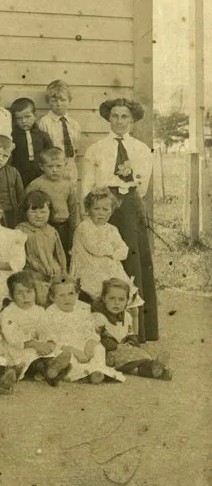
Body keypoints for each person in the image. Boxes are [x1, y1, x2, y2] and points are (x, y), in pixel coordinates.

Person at [81, 97, 157, 341]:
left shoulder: (141, 149)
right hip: (104, 204)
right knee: (104, 259)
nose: (120, 121)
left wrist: (127, 198)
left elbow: (142, 186)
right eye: (115, 116)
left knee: (132, 259)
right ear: (108, 118)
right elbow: (88, 185)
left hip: (131, 204)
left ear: (132, 119)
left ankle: (136, 330)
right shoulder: (96, 149)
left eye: (125, 116)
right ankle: (104, 330)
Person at [41, 277, 125, 384]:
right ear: (53, 297)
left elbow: (90, 330)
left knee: (99, 348)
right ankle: (76, 374)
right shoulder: (50, 313)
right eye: (62, 295)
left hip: (83, 345)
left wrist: (90, 341)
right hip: (65, 347)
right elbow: (50, 339)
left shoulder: (82, 309)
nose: (67, 298)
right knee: (64, 356)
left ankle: (96, 370)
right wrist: (73, 350)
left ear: (77, 294)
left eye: (71, 294)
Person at [70, 187, 142, 311]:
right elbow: (94, 248)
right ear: (88, 210)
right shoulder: (84, 227)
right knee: (101, 285)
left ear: (111, 212)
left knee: (122, 286)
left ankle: (123, 318)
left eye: (105, 209)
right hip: (87, 266)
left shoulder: (112, 229)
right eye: (96, 209)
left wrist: (113, 255)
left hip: (107, 266)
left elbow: (123, 249)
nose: (101, 213)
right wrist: (111, 250)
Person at [0, 271, 73, 385]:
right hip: (17, 348)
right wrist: (34, 344)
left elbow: (46, 328)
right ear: (12, 296)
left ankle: (53, 367)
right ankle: (47, 372)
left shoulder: (39, 311)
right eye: (19, 293)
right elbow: (12, 336)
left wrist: (50, 342)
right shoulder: (9, 312)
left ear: (35, 292)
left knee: (56, 349)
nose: (25, 297)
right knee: (30, 354)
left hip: (39, 345)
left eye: (29, 292)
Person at [92, 278, 171, 380]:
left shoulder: (127, 317)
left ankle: (157, 370)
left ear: (127, 301)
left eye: (121, 299)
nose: (116, 303)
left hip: (124, 350)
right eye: (111, 298)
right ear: (104, 298)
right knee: (127, 359)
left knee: (139, 354)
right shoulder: (99, 317)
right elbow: (94, 340)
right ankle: (153, 368)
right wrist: (114, 345)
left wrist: (130, 342)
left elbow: (131, 334)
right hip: (107, 353)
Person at [26, 147, 80, 255]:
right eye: (50, 166)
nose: (54, 170)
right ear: (42, 167)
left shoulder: (67, 185)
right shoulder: (36, 184)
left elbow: (73, 207)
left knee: (63, 253)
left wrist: (74, 228)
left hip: (63, 227)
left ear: (64, 165)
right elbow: (26, 208)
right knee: (47, 253)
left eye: (58, 166)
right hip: (43, 227)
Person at [36, 79, 82, 194]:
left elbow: (75, 146)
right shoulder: (44, 123)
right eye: (54, 100)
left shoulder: (74, 124)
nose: (59, 103)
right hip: (53, 167)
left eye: (63, 99)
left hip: (70, 166)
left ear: (69, 100)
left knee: (71, 194)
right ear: (48, 101)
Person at [15, 190, 67, 282]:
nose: (38, 216)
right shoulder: (21, 230)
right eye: (33, 212)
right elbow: (17, 256)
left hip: (54, 273)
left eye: (43, 212)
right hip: (32, 274)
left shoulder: (52, 231)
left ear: (50, 212)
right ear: (25, 212)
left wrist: (63, 272)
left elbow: (60, 254)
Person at [9, 97, 52, 187]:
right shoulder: (12, 137)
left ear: (35, 115)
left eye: (27, 117)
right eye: (19, 118)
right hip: (19, 174)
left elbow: (50, 154)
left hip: (40, 173)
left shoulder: (42, 136)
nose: (24, 121)